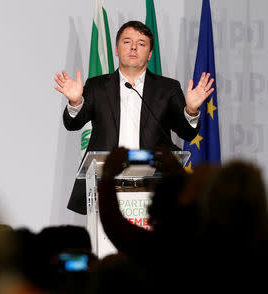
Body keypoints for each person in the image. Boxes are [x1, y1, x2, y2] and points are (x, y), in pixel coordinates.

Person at [54, 20, 214, 214]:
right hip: (106, 185)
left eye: (141, 44)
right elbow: (73, 124)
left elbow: (187, 133)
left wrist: (191, 110)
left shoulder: (168, 88)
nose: (133, 47)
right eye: (127, 41)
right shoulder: (96, 86)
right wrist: (75, 102)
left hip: (155, 186)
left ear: (150, 54)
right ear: (116, 48)